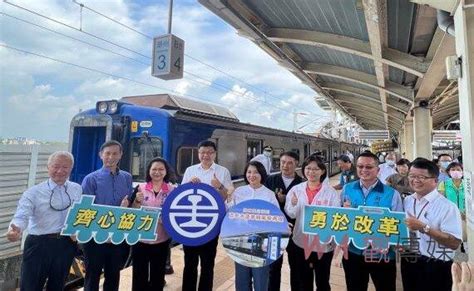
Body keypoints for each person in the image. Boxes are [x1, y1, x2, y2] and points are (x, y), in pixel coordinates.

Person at [6, 151, 81, 291]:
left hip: (66, 244)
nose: (60, 171)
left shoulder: (76, 189)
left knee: (58, 285)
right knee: (30, 286)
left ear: (71, 168)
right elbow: (22, 215)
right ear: (48, 167)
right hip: (39, 244)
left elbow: (80, 214)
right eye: (56, 166)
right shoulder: (33, 192)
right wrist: (15, 230)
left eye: (65, 167)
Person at [341, 151, 403, 291]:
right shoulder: (347, 189)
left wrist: (391, 244)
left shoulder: (392, 194)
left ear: (378, 169)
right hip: (353, 252)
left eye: (369, 167)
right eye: (360, 166)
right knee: (354, 287)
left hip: (382, 254)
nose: (363, 170)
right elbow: (339, 218)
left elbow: (398, 225)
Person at [402, 158, 462, 291]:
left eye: (422, 177)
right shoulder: (407, 200)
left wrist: (424, 228)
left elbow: (454, 243)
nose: (416, 180)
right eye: (412, 176)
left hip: (436, 264)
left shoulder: (447, 207)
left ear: (435, 180)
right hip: (409, 259)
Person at [181, 140, 233, 291]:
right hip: (190, 224)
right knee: (189, 262)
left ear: (215, 154)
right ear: (198, 154)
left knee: (208, 263)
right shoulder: (190, 171)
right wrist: (189, 184)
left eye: (210, 152)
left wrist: (220, 186)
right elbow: (181, 196)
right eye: (203, 152)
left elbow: (226, 198)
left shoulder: (223, 172)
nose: (206, 155)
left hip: (212, 223)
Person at [81, 140, 133, 291]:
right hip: (95, 236)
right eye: (107, 153)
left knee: (114, 275)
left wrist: (127, 206)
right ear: (100, 155)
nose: (111, 157)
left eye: (115, 153)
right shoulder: (91, 179)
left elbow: (128, 204)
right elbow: (86, 208)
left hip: (117, 236)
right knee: (92, 275)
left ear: (121, 155)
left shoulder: (127, 177)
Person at [284, 155, 340, 291]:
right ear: (303, 170)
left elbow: (336, 218)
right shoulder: (296, 190)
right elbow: (291, 213)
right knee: (304, 280)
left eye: (316, 169)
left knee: (323, 281)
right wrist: (293, 204)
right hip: (301, 242)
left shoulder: (331, 193)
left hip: (323, 244)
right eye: (308, 168)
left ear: (322, 171)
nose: (311, 172)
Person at [226, 161, 279, 291]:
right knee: (242, 279)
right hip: (241, 241)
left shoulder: (269, 194)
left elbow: (277, 218)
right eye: (249, 172)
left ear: (262, 174)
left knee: (261, 279)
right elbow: (230, 213)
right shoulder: (239, 192)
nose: (252, 175)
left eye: (255, 172)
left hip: (262, 244)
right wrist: (229, 197)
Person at [130, 157, 176, 291]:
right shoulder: (140, 188)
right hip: (141, 239)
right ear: (149, 171)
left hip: (161, 240)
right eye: (154, 169)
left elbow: (175, 213)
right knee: (139, 276)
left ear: (166, 171)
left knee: (158, 276)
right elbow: (132, 212)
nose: (157, 172)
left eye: (161, 169)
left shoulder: (172, 190)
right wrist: (137, 202)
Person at [264, 151, 303, 291]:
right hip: (275, 230)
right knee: (273, 267)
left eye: (290, 163)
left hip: (296, 231)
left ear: (297, 164)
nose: (285, 166)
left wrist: (286, 199)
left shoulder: (302, 183)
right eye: (282, 162)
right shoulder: (270, 180)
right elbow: (265, 204)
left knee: (297, 267)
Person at [438, 162, 466, 241]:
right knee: (452, 238)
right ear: (449, 172)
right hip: (450, 215)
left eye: (458, 169)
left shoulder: (467, 184)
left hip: (464, 216)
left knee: (465, 238)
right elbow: (441, 201)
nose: (456, 171)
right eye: (453, 169)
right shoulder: (443, 184)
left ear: (462, 172)